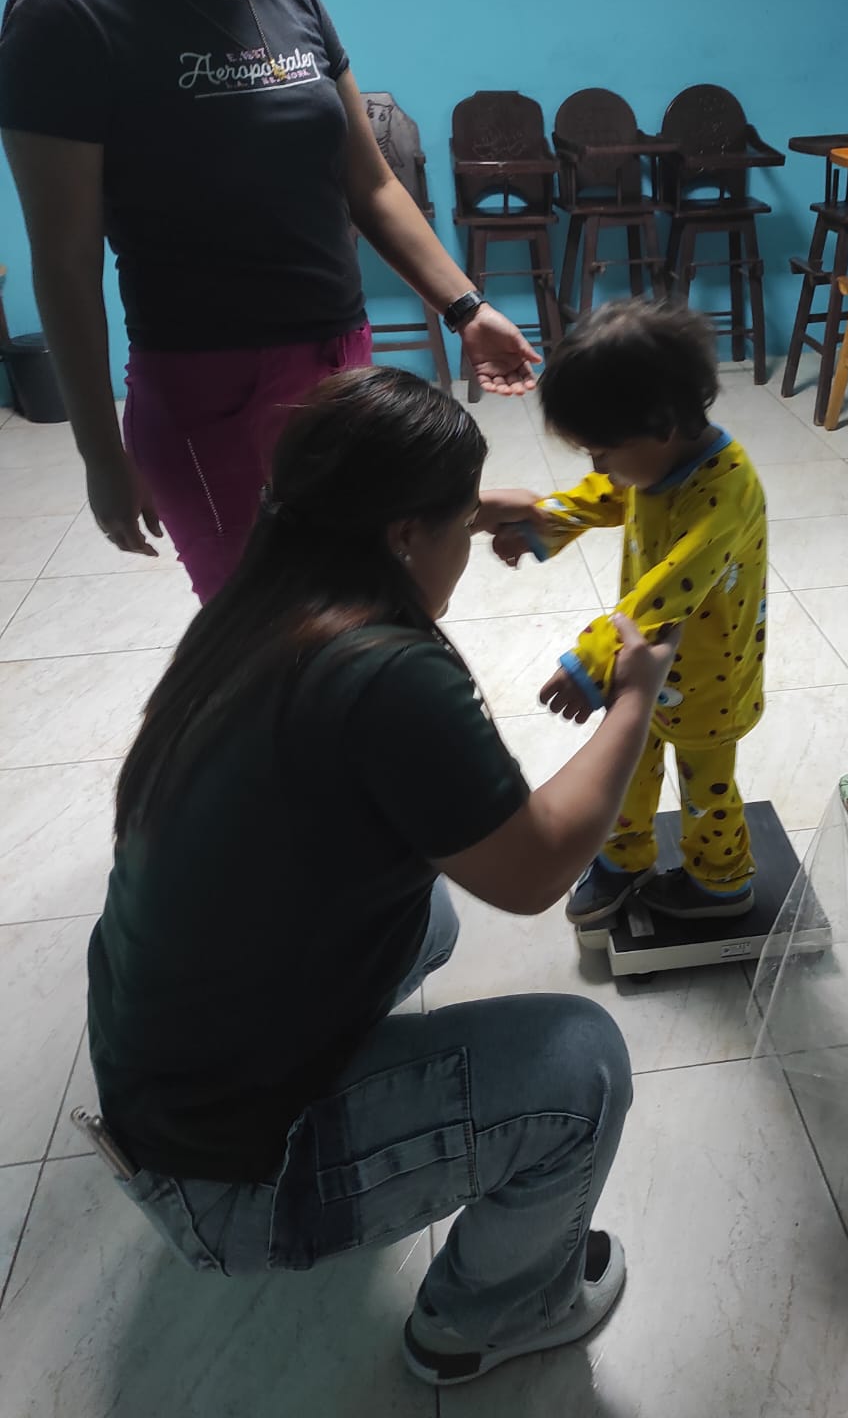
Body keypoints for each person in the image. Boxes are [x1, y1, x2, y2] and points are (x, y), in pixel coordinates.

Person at [87, 365, 678, 1387]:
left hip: (158, 1086)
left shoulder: (260, 602)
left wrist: (468, 506)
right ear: (403, 533)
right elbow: (534, 865)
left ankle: (347, 1106)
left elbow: (366, 523)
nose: (468, 539)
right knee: (579, 1066)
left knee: (424, 915)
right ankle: (484, 1318)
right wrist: (633, 701)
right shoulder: (391, 677)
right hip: (225, 1178)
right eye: (457, 520)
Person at [0, 0, 537, 605]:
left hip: (337, 363)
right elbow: (65, 261)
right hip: (208, 387)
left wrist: (466, 308)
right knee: (265, 618)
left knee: (361, 585)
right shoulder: (65, 13)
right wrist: (101, 454)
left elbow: (370, 184)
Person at [482, 299, 768, 925]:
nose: (599, 465)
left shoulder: (727, 492)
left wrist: (590, 660)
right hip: (641, 662)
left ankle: (720, 883)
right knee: (630, 765)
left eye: (602, 450)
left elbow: (667, 591)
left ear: (662, 426)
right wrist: (543, 522)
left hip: (708, 683)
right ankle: (623, 856)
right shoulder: (655, 459)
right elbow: (608, 494)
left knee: (706, 790)